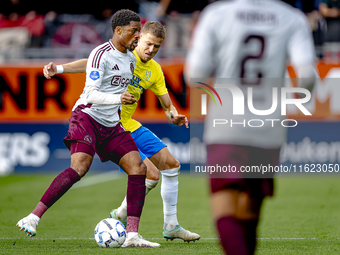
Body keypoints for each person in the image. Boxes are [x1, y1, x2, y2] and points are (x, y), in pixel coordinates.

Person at [43, 21, 200, 242]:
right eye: (147, 43)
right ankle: (122, 215)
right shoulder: (124, 54)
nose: (151, 50)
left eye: (156, 46)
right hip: (110, 124)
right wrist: (59, 69)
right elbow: (90, 64)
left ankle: (171, 226)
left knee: (172, 165)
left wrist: (173, 115)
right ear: (140, 38)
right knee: (151, 174)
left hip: (130, 123)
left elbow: (167, 104)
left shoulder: (155, 70)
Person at [16, 9, 161, 248]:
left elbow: (89, 65)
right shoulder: (101, 52)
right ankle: (32, 217)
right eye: (135, 30)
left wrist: (61, 68)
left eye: (139, 30)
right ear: (118, 30)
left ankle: (132, 235)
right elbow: (92, 92)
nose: (138, 35)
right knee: (80, 167)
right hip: (87, 116)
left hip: (111, 124)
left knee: (138, 167)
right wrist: (118, 99)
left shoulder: (131, 58)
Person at [186, 0, 316, 254]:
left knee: (225, 203)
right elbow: (307, 78)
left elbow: (196, 73)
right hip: (269, 126)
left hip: (227, 124)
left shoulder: (217, 14)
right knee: (250, 210)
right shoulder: (292, 18)